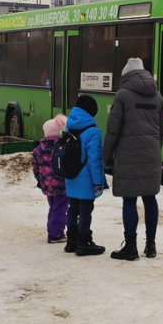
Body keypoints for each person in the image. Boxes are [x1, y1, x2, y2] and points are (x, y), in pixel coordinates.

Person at [103, 58, 163, 261]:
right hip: (152, 154)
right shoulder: (158, 97)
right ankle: (151, 245)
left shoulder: (122, 95)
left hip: (128, 155)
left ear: (126, 76)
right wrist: (154, 150)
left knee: (129, 200)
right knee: (150, 198)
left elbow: (113, 129)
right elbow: (162, 132)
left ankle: (130, 248)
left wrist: (106, 158)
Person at [64, 94, 109, 257]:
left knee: (72, 209)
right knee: (85, 211)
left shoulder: (69, 127)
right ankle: (84, 243)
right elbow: (94, 161)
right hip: (86, 180)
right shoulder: (93, 132)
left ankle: (71, 241)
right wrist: (98, 182)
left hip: (71, 177)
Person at [31, 114, 69, 244]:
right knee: (60, 208)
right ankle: (56, 234)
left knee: (53, 207)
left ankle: (51, 229)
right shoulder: (62, 147)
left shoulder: (38, 149)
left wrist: (40, 179)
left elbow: (35, 167)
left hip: (46, 184)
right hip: (61, 184)